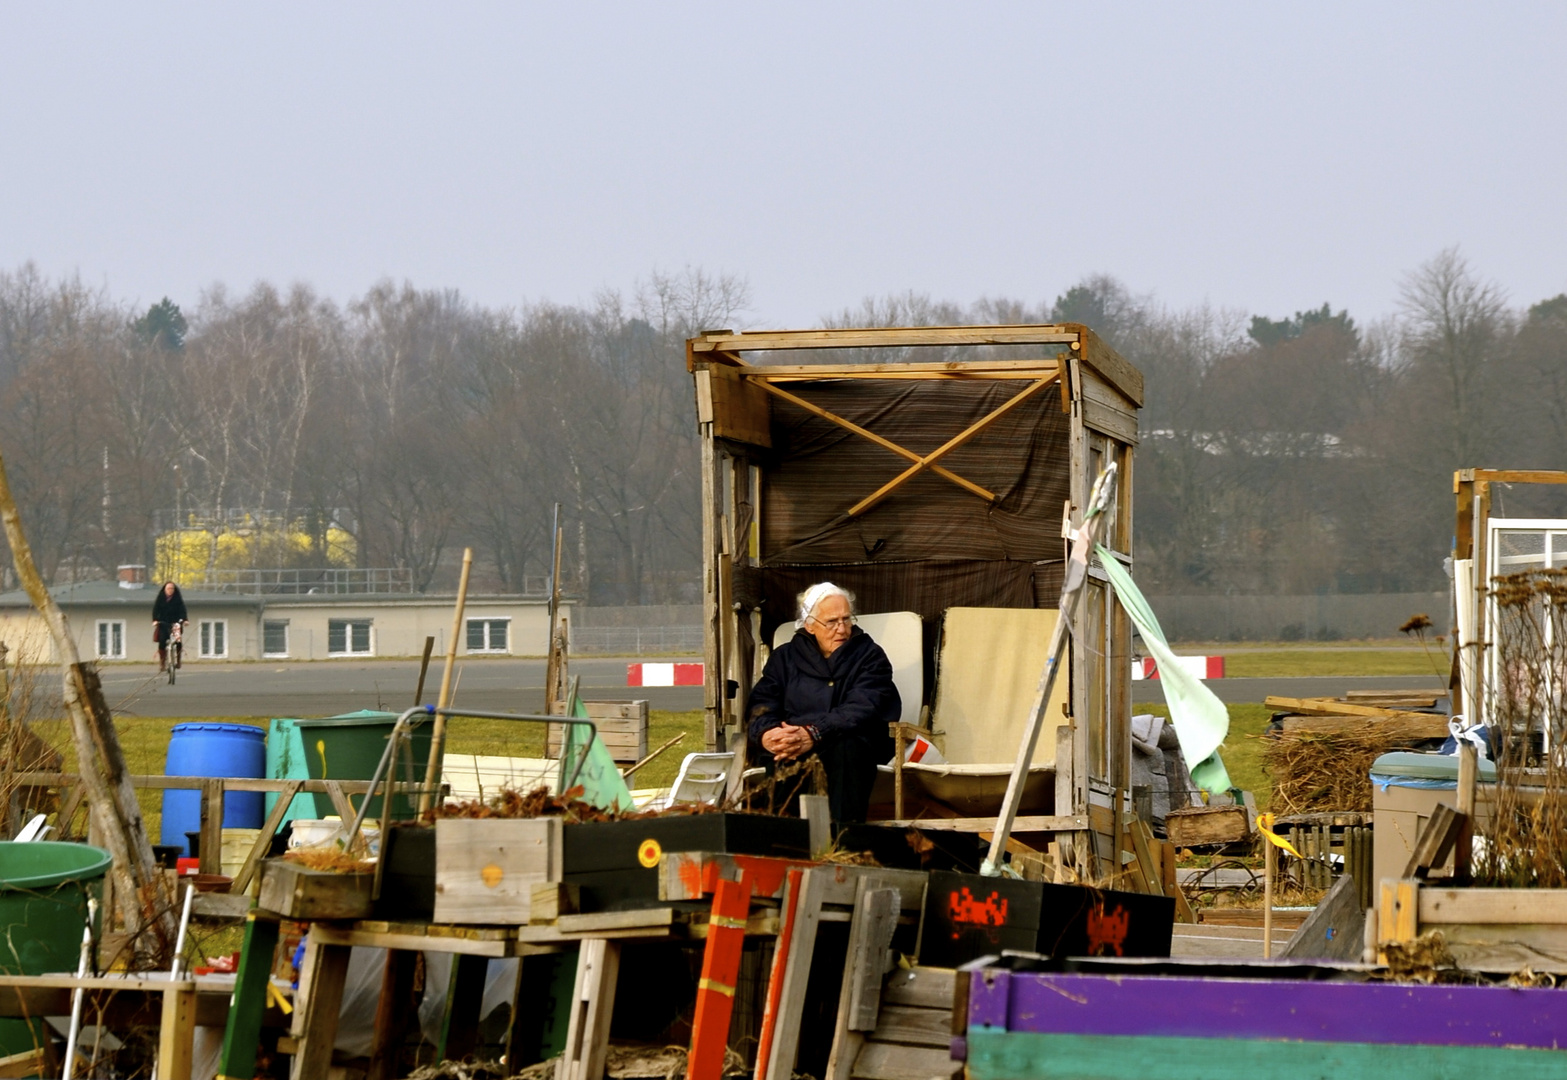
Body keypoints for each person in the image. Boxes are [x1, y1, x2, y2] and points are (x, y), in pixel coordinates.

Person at [748, 583, 899, 824]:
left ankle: (841, 845)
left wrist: (814, 732)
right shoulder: (784, 658)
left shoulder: (870, 656)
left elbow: (862, 708)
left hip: (850, 744)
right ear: (809, 625)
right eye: (831, 622)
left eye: (847, 619)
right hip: (794, 743)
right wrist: (768, 734)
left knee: (847, 748)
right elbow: (761, 704)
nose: (842, 629)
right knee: (783, 754)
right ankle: (787, 848)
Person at [151, 581, 187, 672]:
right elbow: (156, 610)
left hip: (175, 622)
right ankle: (162, 663)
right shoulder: (161, 598)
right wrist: (155, 620)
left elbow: (182, 610)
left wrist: (185, 620)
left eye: (172, 589)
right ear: (165, 589)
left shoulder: (177, 599)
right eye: (168, 588)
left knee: (178, 641)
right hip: (163, 623)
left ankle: (178, 661)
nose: (170, 590)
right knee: (162, 641)